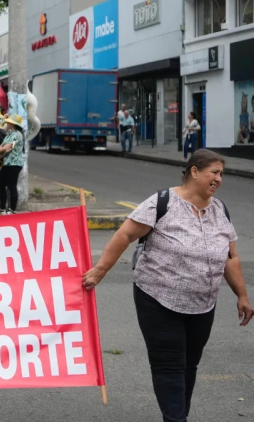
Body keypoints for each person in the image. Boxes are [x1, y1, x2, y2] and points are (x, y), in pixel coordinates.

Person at [83, 149, 253, 422]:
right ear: (195, 171)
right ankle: (176, 419)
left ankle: (177, 416)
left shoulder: (220, 209)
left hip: (202, 304)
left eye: (222, 174)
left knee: (188, 364)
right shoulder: (162, 202)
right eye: (214, 172)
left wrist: (242, 295)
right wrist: (101, 270)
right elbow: (125, 234)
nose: (219, 179)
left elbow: (231, 257)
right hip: (157, 298)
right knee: (169, 364)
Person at [0, 114, 25, 215]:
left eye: (9, 121)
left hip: (14, 164)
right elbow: (2, 145)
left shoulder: (17, 134)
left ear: (13, 123)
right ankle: (3, 208)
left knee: (12, 186)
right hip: (7, 163)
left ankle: (12, 208)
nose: (7, 123)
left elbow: (8, 146)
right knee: (1, 184)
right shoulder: (10, 133)